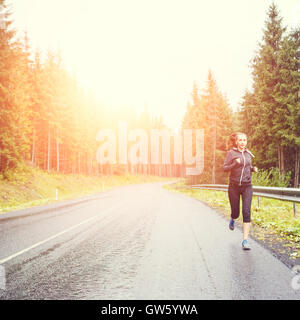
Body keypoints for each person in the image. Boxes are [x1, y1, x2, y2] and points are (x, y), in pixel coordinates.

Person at [223, 132, 258, 250]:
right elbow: (225, 168)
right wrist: (234, 163)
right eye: (241, 140)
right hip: (234, 186)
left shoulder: (248, 154)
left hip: (247, 186)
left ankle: (245, 240)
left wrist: (253, 169)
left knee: (246, 211)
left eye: (245, 140)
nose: (243, 142)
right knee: (236, 212)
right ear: (237, 142)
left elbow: (247, 167)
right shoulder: (231, 153)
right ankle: (233, 218)